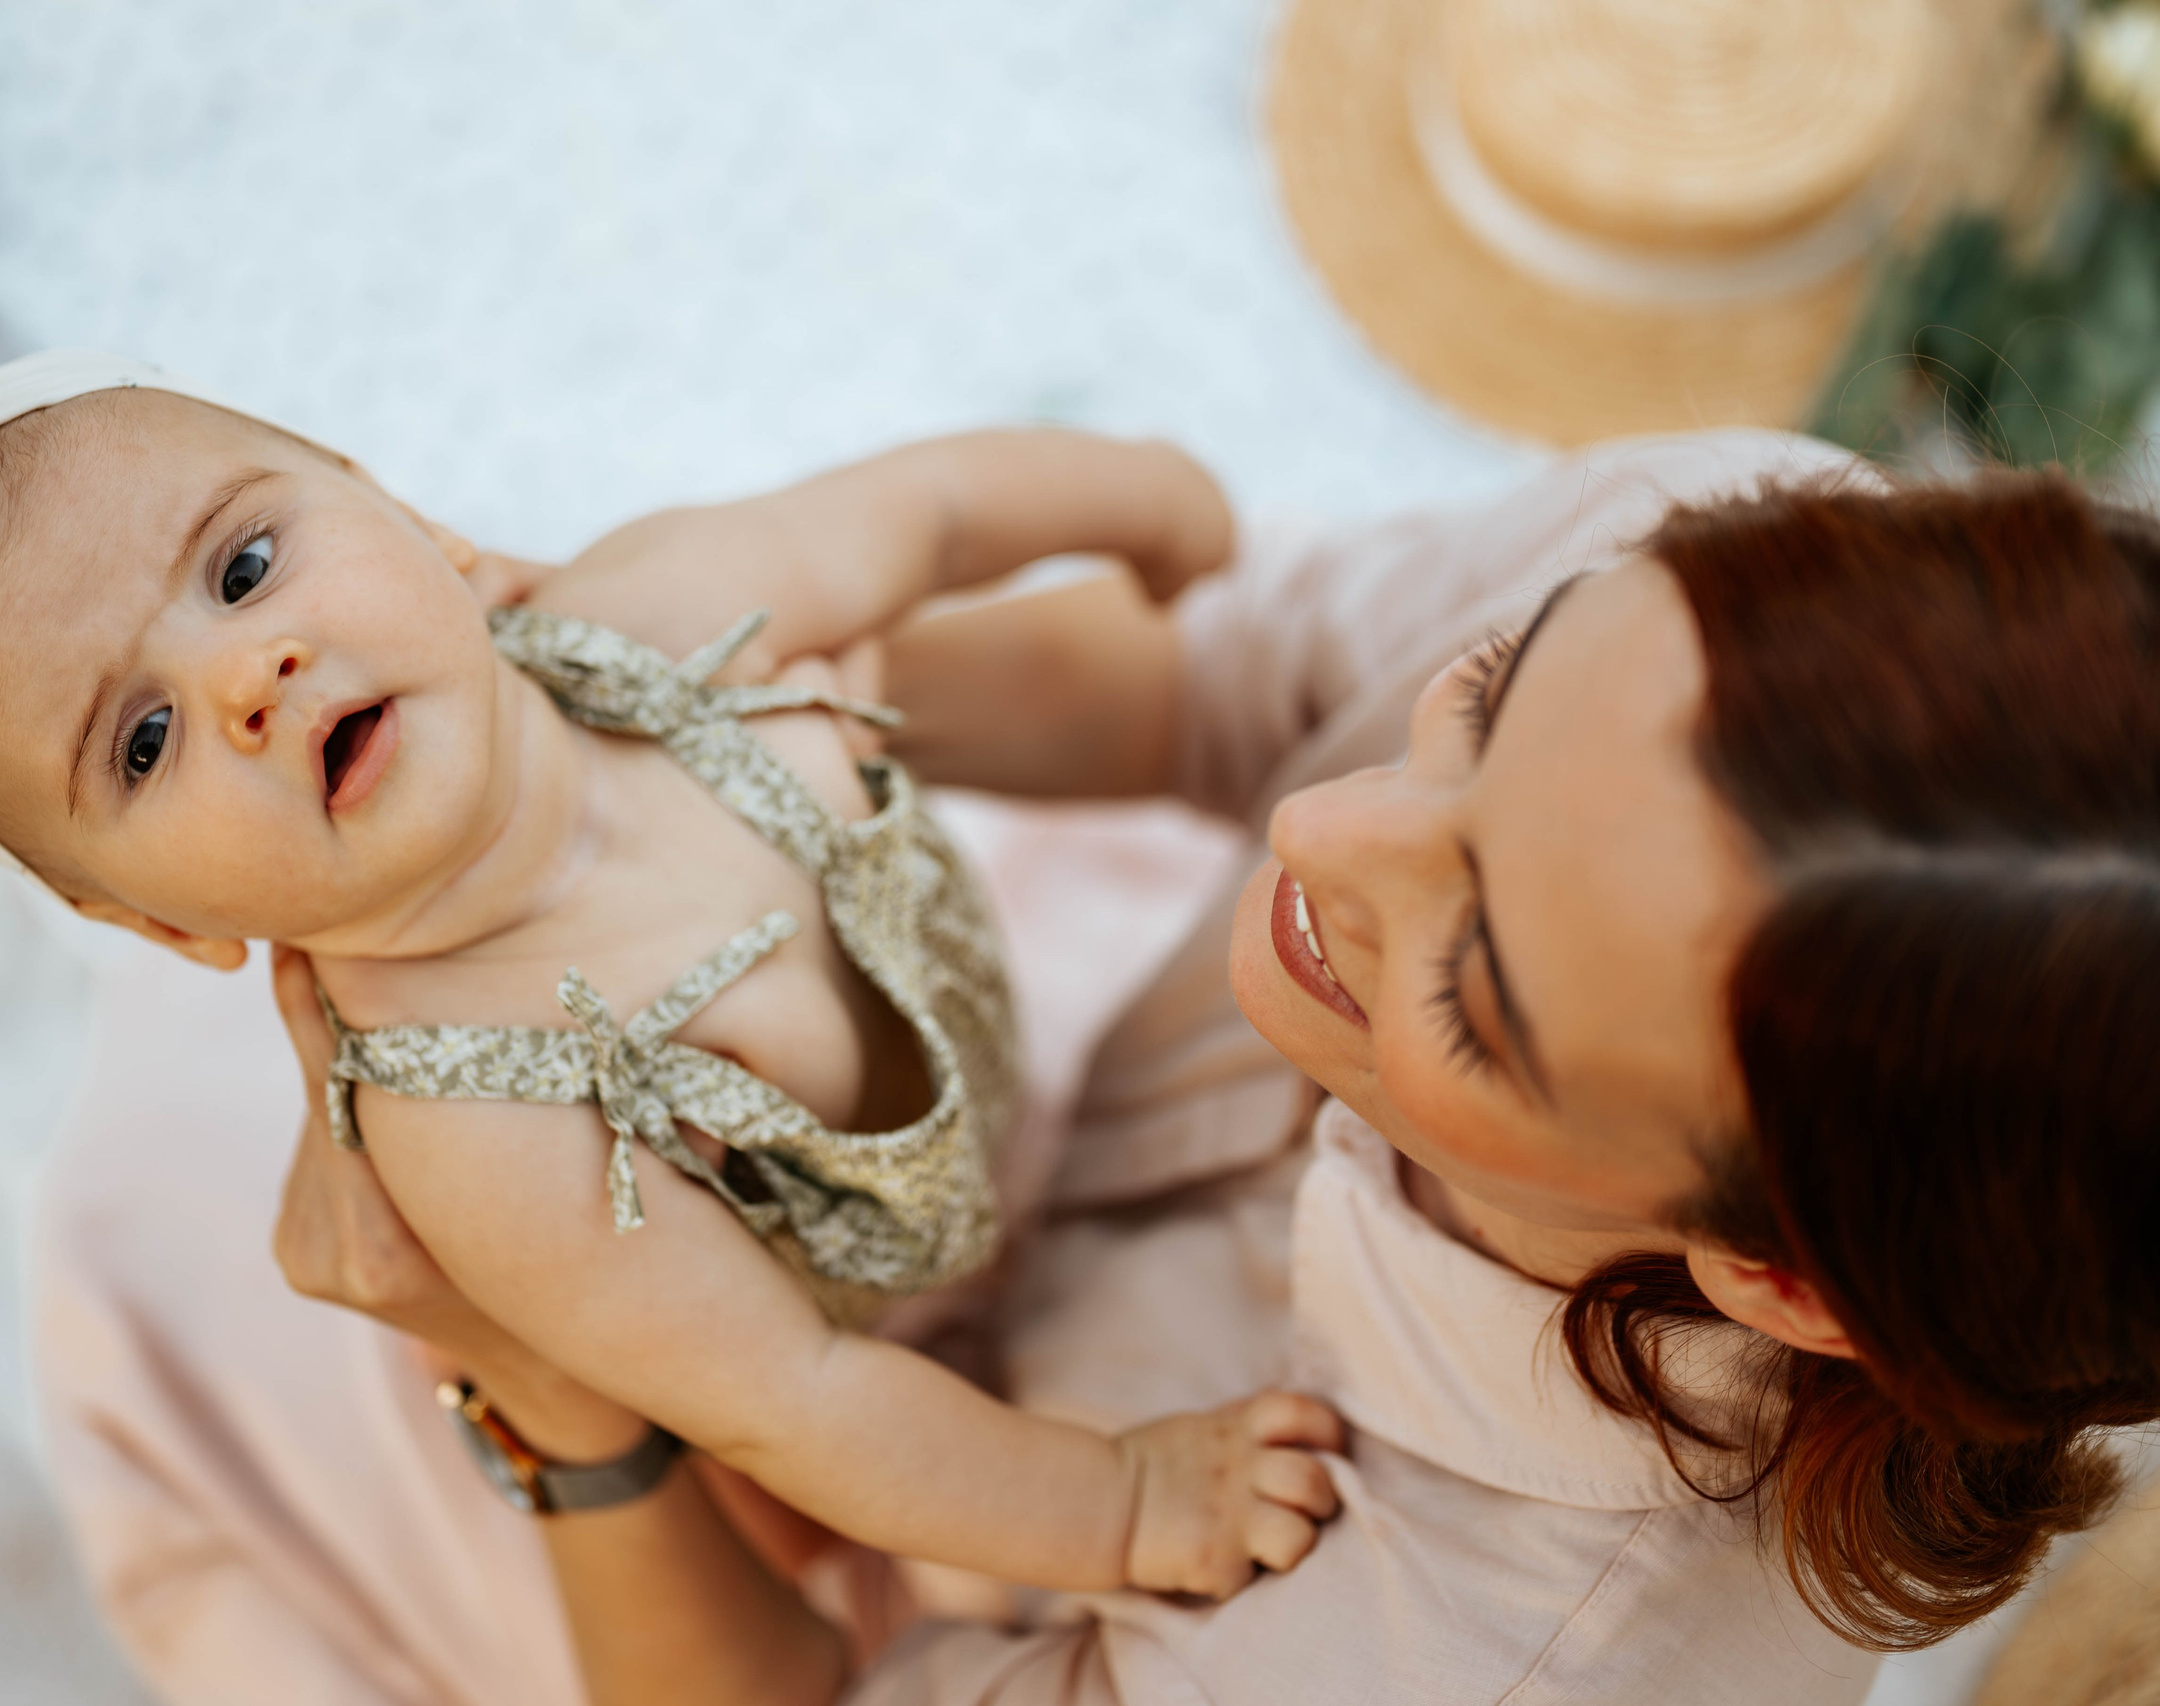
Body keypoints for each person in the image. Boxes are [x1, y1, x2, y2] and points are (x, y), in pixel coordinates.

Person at [261, 427, 2160, 1705]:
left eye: (1477, 984)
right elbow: (1217, 679)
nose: (1320, 830)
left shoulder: (1444, 1654)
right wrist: (670, 738)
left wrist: (547, 1385)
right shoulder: (1726, 571)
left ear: (1778, 1278)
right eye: (1489, 697)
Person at [0, 278, 1345, 1606]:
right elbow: (807, 1403)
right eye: (142, 741)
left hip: (990, 1058)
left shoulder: (660, 612)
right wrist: (1128, 1500)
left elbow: (929, 506)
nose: (245, 677)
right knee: (820, 1493)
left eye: (246, 565)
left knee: (1005, 697)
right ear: (161, 921)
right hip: (871, 1349)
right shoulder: (485, 1122)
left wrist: (1146, 494)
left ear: (402, 506)